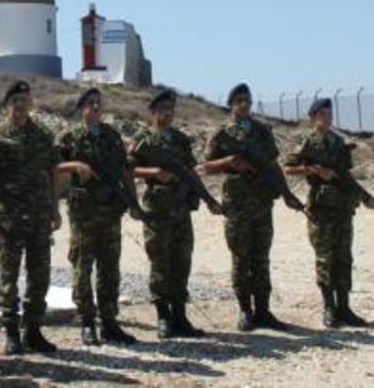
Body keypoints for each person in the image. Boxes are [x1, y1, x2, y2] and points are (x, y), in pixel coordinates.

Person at [0, 80, 62, 355]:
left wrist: (54, 209)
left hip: (39, 217)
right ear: (8, 104)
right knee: (9, 277)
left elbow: (52, 172)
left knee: (40, 276)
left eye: (25, 100)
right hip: (8, 220)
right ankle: (11, 332)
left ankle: (34, 330)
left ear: (31, 103)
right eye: (16, 100)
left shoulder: (43, 134)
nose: (21, 105)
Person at [55, 87, 139, 346]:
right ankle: (87, 322)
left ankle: (110, 322)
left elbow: (125, 172)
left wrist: (133, 201)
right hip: (84, 214)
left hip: (111, 212)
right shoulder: (69, 137)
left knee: (109, 269)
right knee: (83, 268)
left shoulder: (113, 136)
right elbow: (53, 166)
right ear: (82, 108)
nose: (95, 107)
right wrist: (76, 166)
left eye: (98, 103)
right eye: (90, 103)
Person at [203, 82, 289, 332]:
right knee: (241, 257)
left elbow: (273, 165)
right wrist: (229, 162)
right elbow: (205, 166)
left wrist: (286, 193)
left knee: (261, 257)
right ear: (231, 104)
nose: (244, 105)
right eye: (239, 101)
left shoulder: (262, 131)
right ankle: (245, 311)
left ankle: (263, 310)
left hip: (262, 201)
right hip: (238, 203)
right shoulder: (222, 133)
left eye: (248, 101)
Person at [283, 97, 374, 328]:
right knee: (325, 259)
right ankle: (329, 308)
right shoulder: (308, 142)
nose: (327, 117)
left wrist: (365, 197)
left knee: (343, 258)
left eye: (329, 113)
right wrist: (313, 169)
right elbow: (287, 168)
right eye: (322, 114)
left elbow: (347, 176)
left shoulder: (339, 142)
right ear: (313, 118)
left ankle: (344, 308)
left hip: (343, 207)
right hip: (321, 209)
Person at [128, 88, 206, 339]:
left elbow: (191, 170)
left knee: (182, 260)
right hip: (157, 208)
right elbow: (127, 170)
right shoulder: (143, 139)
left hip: (180, 208)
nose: (167, 114)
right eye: (162, 110)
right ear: (152, 112)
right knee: (160, 261)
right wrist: (154, 174)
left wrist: (197, 193)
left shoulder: (181, 140)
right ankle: (163, 316)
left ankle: (180, 315)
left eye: (171, 110)